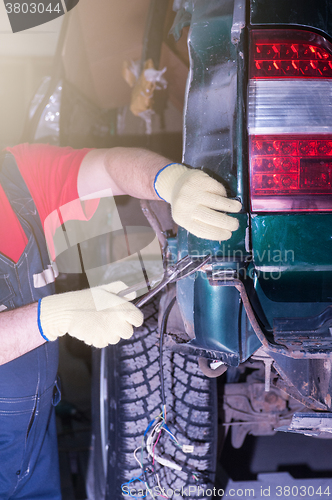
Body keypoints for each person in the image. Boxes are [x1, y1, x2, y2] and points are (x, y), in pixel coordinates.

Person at [0, 143, 241, 499]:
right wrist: (53, 316)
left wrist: (171, 181)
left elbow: (111, 166)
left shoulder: (16, 176)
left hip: (34, 435)